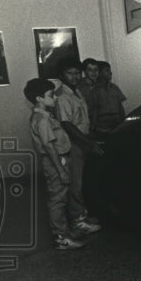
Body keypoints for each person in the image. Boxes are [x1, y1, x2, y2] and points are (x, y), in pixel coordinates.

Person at [24, 78, 88, 250]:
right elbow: (49, 146)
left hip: (59, 159)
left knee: (61, 197)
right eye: (51, 95)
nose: (56, 97)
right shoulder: (42, 119)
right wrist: (61, 171)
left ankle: (65, 231)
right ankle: (60, 238)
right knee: (57, 200)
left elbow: (56, 83)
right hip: (55, 161)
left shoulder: (44, 115)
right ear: (39, 98)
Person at [52, 60, 102, 235]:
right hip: (73, 143)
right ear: (61, 76)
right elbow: (67, 124)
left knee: (82, 180)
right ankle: (77, 221)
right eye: (69, 73)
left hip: (82, 140)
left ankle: (82, 214)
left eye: (76, 73)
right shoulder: (62, 96)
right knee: (75, 183)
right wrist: (88, 143)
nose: (74, 76)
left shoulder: (77, 92)